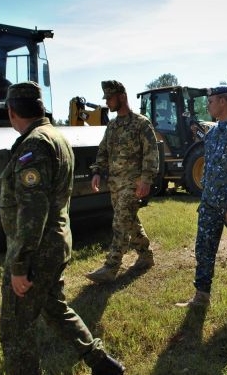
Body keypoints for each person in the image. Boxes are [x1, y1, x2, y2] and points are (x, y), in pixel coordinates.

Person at [0, 82, 125, 375]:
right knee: (53, 307)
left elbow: (33, 211)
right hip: (55, 243)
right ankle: (101, 363)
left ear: (12, 111)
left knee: (15, 329)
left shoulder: (35, 144)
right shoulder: (55, 136)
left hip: (37, 249)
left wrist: (20, 264)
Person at [176, 85, 227, 307]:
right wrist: (204, 192)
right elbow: (210, 165)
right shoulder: (212, 132)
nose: (208, 105)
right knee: (204, 248)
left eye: (210, 101)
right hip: (210, 203)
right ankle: (201, 295)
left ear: (223, 101)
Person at [85, 80, 160, 283]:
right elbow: (103, 151)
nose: (107, 102)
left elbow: (151, 154)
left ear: (122, 96)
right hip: (115, 185)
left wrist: (146, 180)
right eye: (106, 98)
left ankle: (111, 267)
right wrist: (97, 171)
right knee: (130, 222)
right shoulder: (113, 126)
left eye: (110, 98)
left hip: (133, 184)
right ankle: (146, 256)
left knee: (119, 223)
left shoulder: (141, 123)